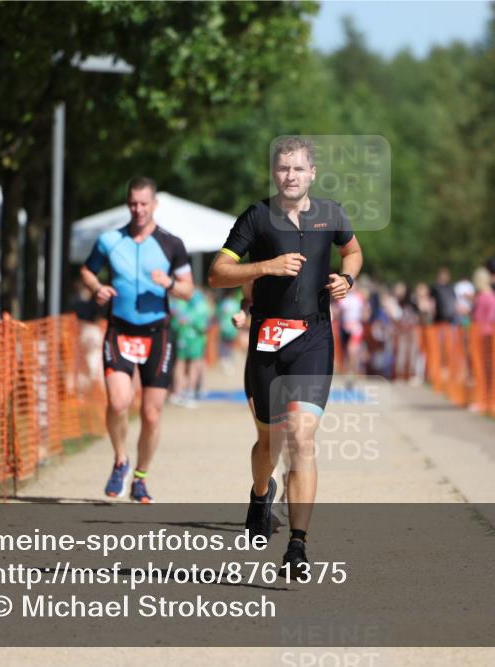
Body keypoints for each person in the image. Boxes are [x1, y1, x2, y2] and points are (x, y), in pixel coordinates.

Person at [208, 136, 363, 572]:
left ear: (312, 173)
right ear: (274, 173)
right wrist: (265, 267)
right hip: (267, 344)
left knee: (301, 437)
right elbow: (217, 273)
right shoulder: (257, 217)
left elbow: (352, 251)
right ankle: (261, 493)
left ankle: (298, 544)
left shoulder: (330, 214)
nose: (290, 176)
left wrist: (347, 280)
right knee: (268, 442)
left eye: (298, 169)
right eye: (283, 169)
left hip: (313, 340)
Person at [81, 177, 194, 503]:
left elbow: (187, 290)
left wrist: (169, 283)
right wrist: (96, 288)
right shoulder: (110, 240)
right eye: (133, 204)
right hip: (119, 330)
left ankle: (141, 477)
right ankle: (120, 459)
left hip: (158, 334)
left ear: (154, 204)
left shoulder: (171, 244)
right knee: (118, 402)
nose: (138, 209)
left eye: (144, 204)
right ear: (127, 203)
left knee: (151, 414)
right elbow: (88, 271)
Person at [170, 288, 212, 407]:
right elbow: (203, 326)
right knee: (194, 365)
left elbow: (174, 323)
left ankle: (178, 392)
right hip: (195, 340)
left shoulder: (179, 304)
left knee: (180, 364)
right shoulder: (200, 305)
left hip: (181, 338)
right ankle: (189, 393)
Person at [469, 267, 495, 412]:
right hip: (489, 335)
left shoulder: (483, 297)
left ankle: (483, 401)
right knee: (489, 369)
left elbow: (479, 318)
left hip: (482, 336)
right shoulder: (493, 296)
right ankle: (491, 400)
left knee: (482, 369)